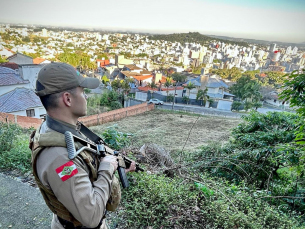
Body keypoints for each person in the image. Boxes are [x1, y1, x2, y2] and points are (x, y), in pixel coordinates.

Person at [29, 62, 135, 229]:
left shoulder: (60, 129)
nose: (86, 97)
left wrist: (115, 164)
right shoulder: (60, 158)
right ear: (68, 99)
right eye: (83, 92)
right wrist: (107, 168)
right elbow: (91, 216)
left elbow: (84, 163)